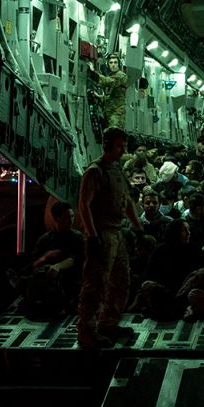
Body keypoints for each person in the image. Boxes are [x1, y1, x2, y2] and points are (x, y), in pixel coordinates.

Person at [76, 126, 144, 349]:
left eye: (124, 146)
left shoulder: (116, 169)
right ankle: (87, 331)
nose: (122, 151)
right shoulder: (95, 171)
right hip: (102, 233)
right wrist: (92, 236)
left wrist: (138, 228)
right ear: (107, 145)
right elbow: (84, 205)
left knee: (120, 280)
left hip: (117, 233)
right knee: (95, 284)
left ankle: (108, 321)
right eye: (119, 146)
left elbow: (127, 202)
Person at [100, 53, 127, 129]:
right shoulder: (110, 75)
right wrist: (100, 97)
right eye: (111, 63)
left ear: (119, 64)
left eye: (115, 62)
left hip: (117, 115)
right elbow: (111, 97)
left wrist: (94, 74)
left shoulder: (121, 76)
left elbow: (108, 82)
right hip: (109, 114)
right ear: (108, 64)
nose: (113, 65)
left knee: (114, 136)